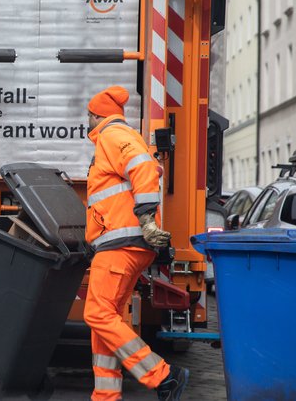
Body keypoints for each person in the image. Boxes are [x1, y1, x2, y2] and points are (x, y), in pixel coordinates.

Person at [83, 86, 189, 401]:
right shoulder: (116, 137)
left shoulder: (113, 135)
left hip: (121, 244)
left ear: (96, 115)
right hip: (122, 243)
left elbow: (143, 167)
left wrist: (145, 217)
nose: (86, 122)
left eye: (88, 116)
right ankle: (106, 396)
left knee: (96, 313)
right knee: (106, 320)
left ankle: (163, 376)